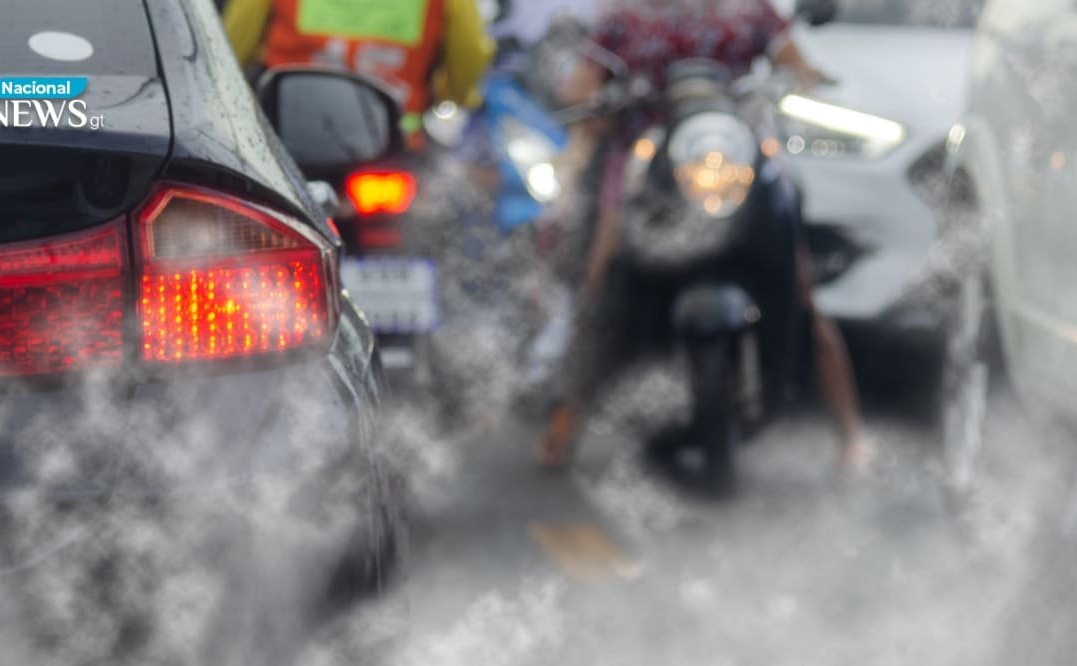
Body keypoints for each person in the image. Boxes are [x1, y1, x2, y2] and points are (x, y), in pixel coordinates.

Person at [536, 0, 871, 472]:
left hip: (737, 156)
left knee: (801, 289)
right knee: (599, 280)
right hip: (647, 162)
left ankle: (851, 435)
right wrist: (592, 103)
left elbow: (796, 65)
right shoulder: (624, 16)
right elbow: (581, 86)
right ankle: (567, 417)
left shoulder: (749, 11)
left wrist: (806, 81)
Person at [221, 0, 497, 118]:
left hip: (285, 129)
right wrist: (455, 94)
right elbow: (470, 48)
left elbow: (231, 47)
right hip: (392, 138)